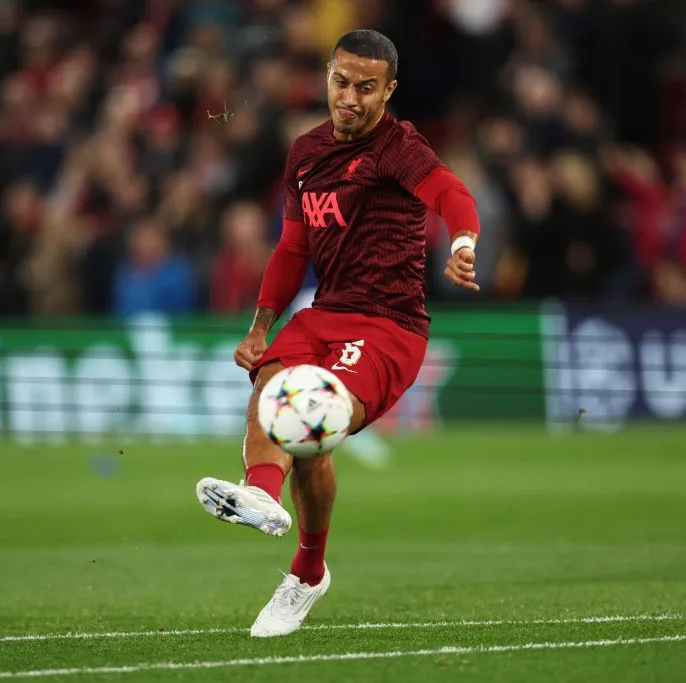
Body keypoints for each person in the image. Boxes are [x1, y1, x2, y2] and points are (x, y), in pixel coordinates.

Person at [194, 30, 481, 637]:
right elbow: (292, 247)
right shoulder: (305, 153)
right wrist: (260, 325)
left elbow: (451, 193)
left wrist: (462, 242)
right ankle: (263, 497)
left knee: (311, 418)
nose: (350, 98)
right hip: (326, 313)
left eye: (366, 87)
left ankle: (304, 570)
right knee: (272, 383)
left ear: (389, 91)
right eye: (341, 81)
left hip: (390, 325)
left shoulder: (398, 147)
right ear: (328, 75)